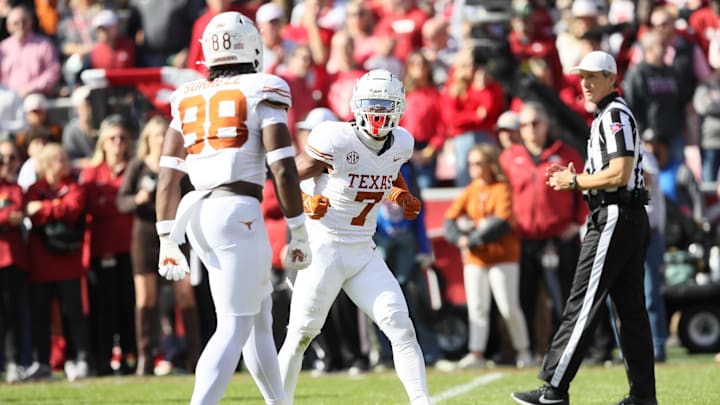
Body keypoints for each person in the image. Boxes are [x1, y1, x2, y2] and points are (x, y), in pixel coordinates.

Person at [154, 11, 311, 405]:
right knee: (234, 324)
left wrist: (165, 237)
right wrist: (299, 229)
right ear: (253, 47)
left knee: (258, 319)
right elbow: (283, 168)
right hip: (236, 210)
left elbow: (168, 175)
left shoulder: (187, 95)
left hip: (198, 214)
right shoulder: (264, 87)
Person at [277, 69, 430, 405]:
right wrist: (306, 202)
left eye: (386, 105)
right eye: (372, 105)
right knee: (301, 335)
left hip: (363, 251)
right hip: (325, 247)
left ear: (399, 107)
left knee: (401, 327)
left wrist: (400, 196)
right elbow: (285, 176)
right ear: (357, 105)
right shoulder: (335, 138)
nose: (378, 113)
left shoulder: (402, 142)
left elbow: (386, 173)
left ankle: (422, 402)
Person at [511, 51, 657, 405]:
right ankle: (643, 396)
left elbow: (620, 172)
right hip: (627, 215)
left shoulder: (614, 115)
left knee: (583, 301)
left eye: (593, 76)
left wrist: (576, 180)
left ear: (612, 77)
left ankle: (555, 388)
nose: (586, 83)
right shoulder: (609, 114)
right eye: (582, 77)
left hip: (615, 214)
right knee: (630, 312)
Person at [117, 115, 200, 376]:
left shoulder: (179, 166)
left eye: (165, 135)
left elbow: (190, 196)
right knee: (146, 297)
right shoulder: (138, 165)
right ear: (147, 140)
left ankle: (195, 357)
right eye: (156, 136)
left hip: (175, 234)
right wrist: (138, 199)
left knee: (184, 293)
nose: (161, 140)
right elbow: (122, 201)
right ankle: (146, 358)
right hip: (144, 235)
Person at [443, 144, 533, 370]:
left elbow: (502, 223)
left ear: (490, 165)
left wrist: (472, 237)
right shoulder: (470, 190)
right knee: (477, 308)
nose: (473, 168)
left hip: (502, 256)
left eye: (478, 163)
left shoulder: (502, 188)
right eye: (471, 163)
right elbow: (449, 220)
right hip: (476, 258)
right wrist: (462, 237)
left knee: (508, 307)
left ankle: (524, 350)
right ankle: (476, 352)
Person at [79, 115, 136, 376]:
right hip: (101, 248)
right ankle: (102, 358)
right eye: (112, 138)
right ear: (103, 141)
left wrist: (111, 204)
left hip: (130, 247)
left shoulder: (134, 169)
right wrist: (122, 204)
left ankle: (129, 356)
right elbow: (90, 205)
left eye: (122, 138)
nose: (117, 143)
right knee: (104, 307)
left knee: (128, 305)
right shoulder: (92, 173)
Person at [0, 140, 28, 383]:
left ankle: (12, 361)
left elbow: (17, 213)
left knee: (10, 315)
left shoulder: (13, 188)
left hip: (9, 260)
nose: (5, 164)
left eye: (10, 158)